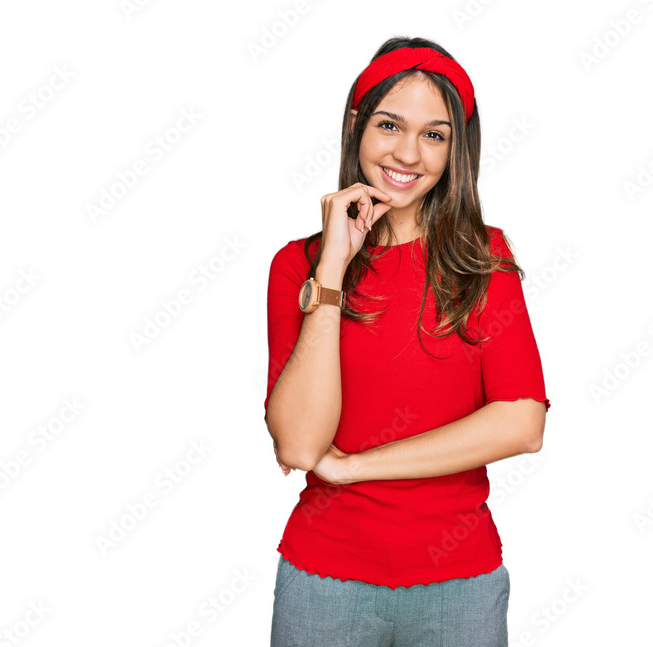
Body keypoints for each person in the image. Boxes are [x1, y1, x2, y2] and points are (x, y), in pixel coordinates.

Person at [263, 36, 551, 647]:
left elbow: (521, 424)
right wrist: (333, 271)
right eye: (390, 125)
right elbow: (299, 441)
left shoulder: (484, 260)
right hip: (324, 581)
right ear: (355, 127)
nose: (408, 153)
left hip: (459, 584)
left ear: (456, 150)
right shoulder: (300, 267)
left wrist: (356, 466)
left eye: (435, 134)